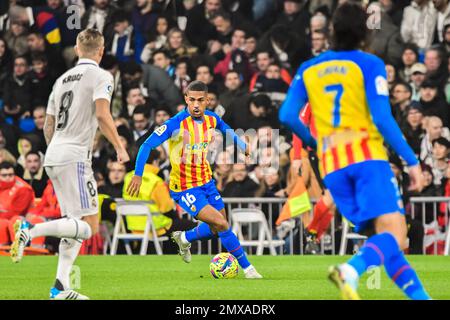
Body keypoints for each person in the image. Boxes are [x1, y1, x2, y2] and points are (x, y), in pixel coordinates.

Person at [279, 3, 430, 300]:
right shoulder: (369, 63)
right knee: (396, 237)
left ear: (332, 31)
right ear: (365, 32)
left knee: (384, 241)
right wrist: (412, 162)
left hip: (332, 167)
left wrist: (311, 142)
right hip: (366, 160)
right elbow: (382, 118)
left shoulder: (309, 68)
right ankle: (350, 270)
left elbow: (286, 115)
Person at [10, 29, 130, 300]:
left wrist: (56, 149)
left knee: (73, 225)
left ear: (77, 49)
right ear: (100, 51)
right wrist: (120, 148)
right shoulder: (102, 76)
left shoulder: (60, 80)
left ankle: (60, 288)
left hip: (53, 154)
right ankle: (31, 230)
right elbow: (102, 113)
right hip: (75, 156)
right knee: (89, 225)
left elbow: (48, 125)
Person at [127, 80, 262, 279]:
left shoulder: (212, 119)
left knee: (218, 226)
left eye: (201, 100)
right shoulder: (175, 123)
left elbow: (226, 129)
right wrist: (138, 174)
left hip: (206, 181)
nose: (196, 105)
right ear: (186, 100)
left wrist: (243, 146)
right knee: (222, 224)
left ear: (208, 101)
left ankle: (184, 237)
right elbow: (146, 145)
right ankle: (249, 269)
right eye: (192, 100)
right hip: (185, 187)